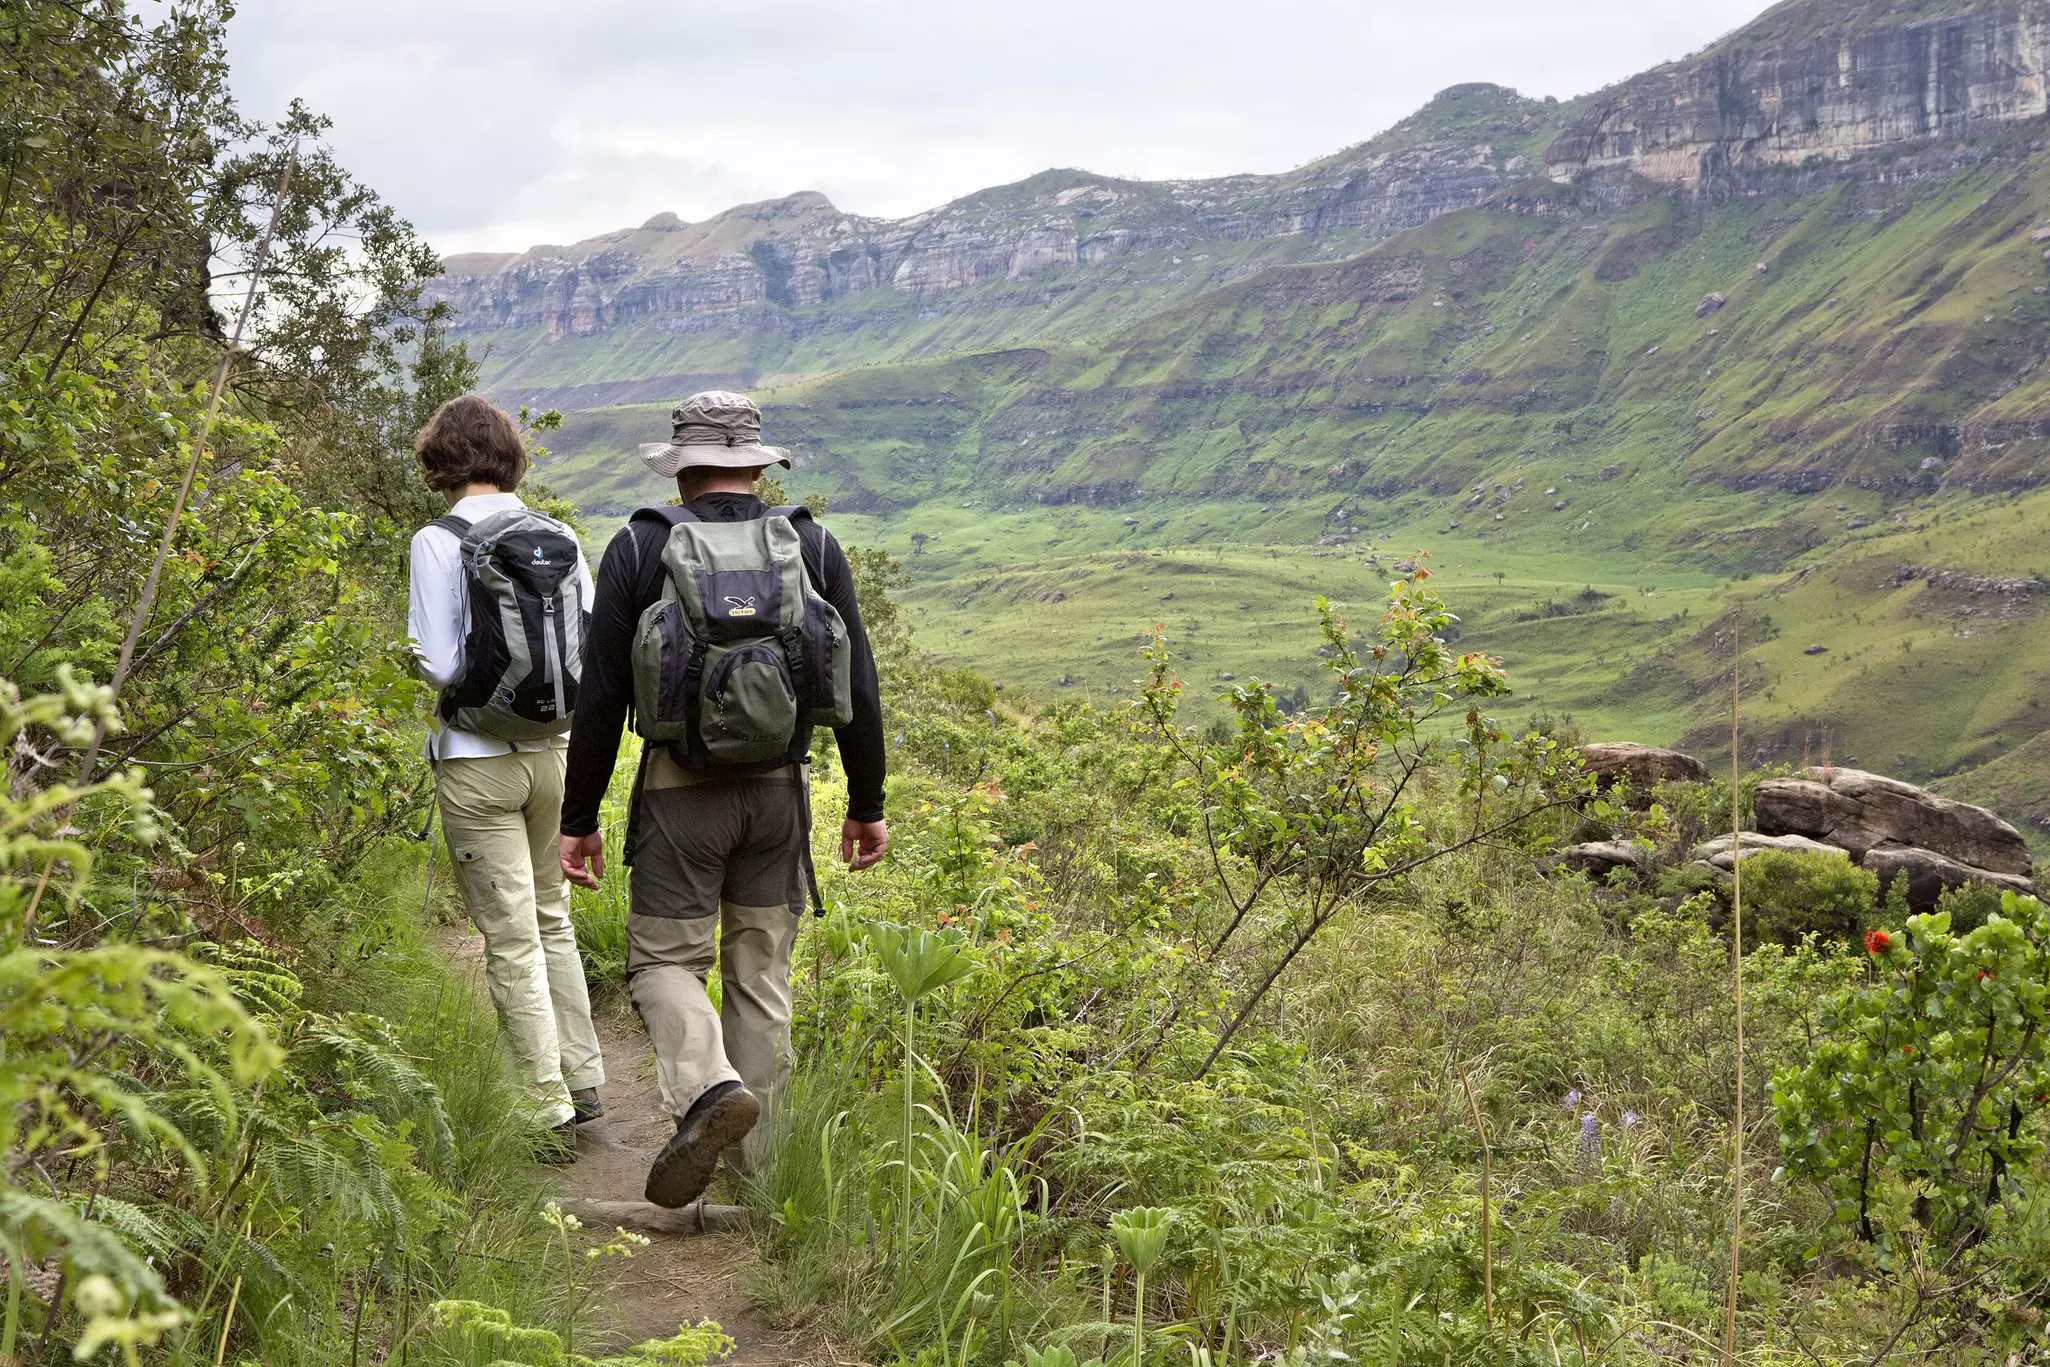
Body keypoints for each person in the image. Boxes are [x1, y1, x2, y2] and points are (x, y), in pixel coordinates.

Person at [558, 390, 888, 1209]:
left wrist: (579, 818)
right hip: (780, 797)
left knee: (665, 963)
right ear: (756, 463)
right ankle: (756, 1187)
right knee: (760, 978)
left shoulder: (640, 545)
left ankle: (707, 1087)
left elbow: (600, 696)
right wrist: (867, 800)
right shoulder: (811, 543)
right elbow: (860, 683)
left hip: (679, 797)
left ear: (681, 465)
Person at [407, 394, 606, 1154]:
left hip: (476, 761)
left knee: (510, 935)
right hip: (553, 756)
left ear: (440, 460)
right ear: (510, 455)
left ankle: (543, 1107)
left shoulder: (438, 541)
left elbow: (442, 661)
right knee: (552, 917)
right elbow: (586, 649)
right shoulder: (557, 534)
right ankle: (585, 1080)